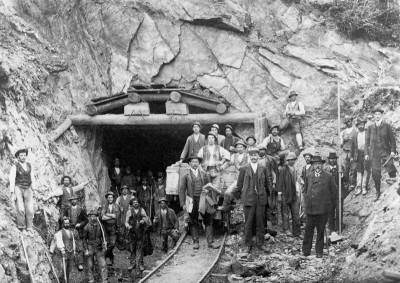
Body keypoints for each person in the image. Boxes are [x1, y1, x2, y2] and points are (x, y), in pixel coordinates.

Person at [230, 147, 272, 253]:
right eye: (252, 155)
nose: (254, 157)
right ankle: (248, 244)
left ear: (258, 156)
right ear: (249, 156)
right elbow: (239, 185)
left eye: (255, 155)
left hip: (260, 199)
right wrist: (243, 196)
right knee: (248, 222)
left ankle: (260, 243)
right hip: (248, 199)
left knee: (260, 222)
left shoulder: (263, 168)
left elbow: (268, 183)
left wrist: (266, 195)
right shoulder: (244, 168)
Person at [179, 155, 220, 249]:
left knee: (208, 219)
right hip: (191, 200)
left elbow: (209, 186)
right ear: (189, 163)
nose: (195, 164)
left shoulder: (204, 174)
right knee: (193, 220)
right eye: (193, 162)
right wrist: (182, 204)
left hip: (203, 199)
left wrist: (208, 191)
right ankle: (195, 242)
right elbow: (181, 190)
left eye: (196, 162)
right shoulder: (185, 175)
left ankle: (210, 242)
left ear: (199, 163)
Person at [302, 156, 337, 258]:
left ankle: (319, 251)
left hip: (322, 209)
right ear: (312, 165)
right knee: (308, 230)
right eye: (315, 164)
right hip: (311, 209)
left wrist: (328, 205)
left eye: (319, 164)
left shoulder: (328, 176)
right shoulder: (308, 176)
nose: (317, 166)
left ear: (322, 165)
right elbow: (305, 191)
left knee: (320, 230)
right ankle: (306, 251)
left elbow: (334, 192)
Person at [365, 107, 397, 201]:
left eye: (379, 114)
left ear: (381, 115)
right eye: (375, 114)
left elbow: (392, 140)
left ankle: (393, 179)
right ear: (374, 116)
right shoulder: (370, 127)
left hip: (385, 150)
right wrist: (366, 153)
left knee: (390, 164)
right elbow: (367, 141)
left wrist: (392, 151)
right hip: (374, 152)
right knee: (375, 172)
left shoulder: (386, 126)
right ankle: (377, 192)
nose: (377, 116)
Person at [9, 148, 36, 235]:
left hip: (28, 188)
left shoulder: (29, 165)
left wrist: (34, 189)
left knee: (30, 209)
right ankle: (22, 227)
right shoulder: (15, 166)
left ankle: (29, 227)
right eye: (21, 155)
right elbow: (12, 179)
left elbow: (32, 178)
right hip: (18, 188)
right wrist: (12, 192)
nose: (23, 157)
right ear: (18, 157)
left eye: (24, 155)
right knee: (20, 208)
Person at [218, 140, 250, 211]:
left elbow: (250, 167)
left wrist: (242, 167)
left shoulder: (248, 156)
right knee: (227, 192)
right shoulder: (234, 156)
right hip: (238, 180)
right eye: (238, 147)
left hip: (248, 180)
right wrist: (222, 167)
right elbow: (228, 163)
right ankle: (225, 207)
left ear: (244, 148)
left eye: (241, 147)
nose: (239, 148)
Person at [276, 152, 301, 238]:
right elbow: (279, 182)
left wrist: (297, 191)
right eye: (289, 160)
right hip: (285, 194)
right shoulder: (283, 170)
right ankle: (286, 230)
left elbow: (297, 181)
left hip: (293, 195)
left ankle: (296, 232)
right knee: (285, 213)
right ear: (287, 161)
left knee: (296, 213)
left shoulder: (295, 170)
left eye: (293, 160)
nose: (291, 162)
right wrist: (279, 194)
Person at [83, 210, 108, 283]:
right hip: (90, 247)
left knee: (103, 264)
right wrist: (86, 249)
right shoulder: (86, 227)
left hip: (99, 248)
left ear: (97, 217)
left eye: (94, 216)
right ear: (89, 217)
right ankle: (91, 279)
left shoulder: (100, 226)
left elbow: (104, 236)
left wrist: (105, 242)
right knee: (90, 265)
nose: (93, 218)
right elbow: (84, 239)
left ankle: (104, 280)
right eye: (91, 216)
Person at [324, 152, 346, 233]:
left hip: (339, 193)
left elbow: (346, 179)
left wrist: (342, 175)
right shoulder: (325, 169)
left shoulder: (340, 168)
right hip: (329, 194)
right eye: (331, 159)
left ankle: (339, 226)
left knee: (339, 210)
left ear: (336, 160)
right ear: (328, 160)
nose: (332, 161)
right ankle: (331, 227)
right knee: (330, 211)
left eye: (334, 159)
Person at [65, 195, 88, 271]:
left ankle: (80, 263)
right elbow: (63, 219)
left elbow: (86, 220)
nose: (73, 201)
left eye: (75, 199)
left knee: (79, 246)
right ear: (70, 201)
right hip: (70, 229)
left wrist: (80, 224)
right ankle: (69, 262)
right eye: (72, 200)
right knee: (69, 245)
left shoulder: (82, 209)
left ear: (77, 200)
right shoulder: (67, 210)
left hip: (78, 230)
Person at [125, 197, 147, 272]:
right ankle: (132, 263)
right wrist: (128, 226)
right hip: (132, 232)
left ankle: (140, 264)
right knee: (132, 248)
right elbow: (126, 222)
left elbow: (146, 217)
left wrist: (143, 220)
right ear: (132, 204)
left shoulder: (142, 210)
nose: (135, 203)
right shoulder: (129, 211)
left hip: (140, 232)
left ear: (139, 203)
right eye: (134, 202)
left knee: (140, 248)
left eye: (137, 202)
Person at [350, 119, 371, 196]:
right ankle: (358, 188)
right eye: (359, 125)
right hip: (357, 154)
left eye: (362, 124)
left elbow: (370, 144)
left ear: (364, 125)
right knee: (359, 170)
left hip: (366, 154)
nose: (361, 126)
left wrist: (368, 153)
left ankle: (364, 187)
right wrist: (352, 156)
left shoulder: (368, 133)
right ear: (357, 126)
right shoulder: (355, 135)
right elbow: (352, 146)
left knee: (366, 169)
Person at [54, 217, 76, 283]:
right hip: (64, 253)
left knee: (69, 269)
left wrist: (74, 251)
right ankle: (62, 281)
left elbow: (73, 242)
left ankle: (67, 281)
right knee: (62, 270)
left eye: (68, 223)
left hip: (71, 253)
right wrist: (63, 251)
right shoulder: (60, 233)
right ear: (63, 224)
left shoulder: (71, 232)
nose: (67, 224)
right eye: (65, 223)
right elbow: (59, 242)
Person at [101, 192, 119, 266]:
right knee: (107, 243)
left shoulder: (116, 206)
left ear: (113, 198)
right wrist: (112, 216)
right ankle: (110, 258)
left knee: (112, 243)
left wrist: (108, 215)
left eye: (111, 197)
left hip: (113, 227)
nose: (110, 199)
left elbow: (117, 216)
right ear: (107, 198)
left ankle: (105, 255)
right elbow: (102, 217)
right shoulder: (105, 206)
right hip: (105, 227)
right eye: (108, 197)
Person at [340, 115, 357, 191]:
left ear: (351, 121)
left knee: (353, 168)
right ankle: (346, 184)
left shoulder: (356, 130)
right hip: (345, 152)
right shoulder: (343, 132)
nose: (348, 123)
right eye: (347, 122)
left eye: (349, 121)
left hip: (352, 151)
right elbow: (340, 144)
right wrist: (344, 139)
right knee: (345, 168)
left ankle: (352, 184)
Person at [115, 185, 134, 250]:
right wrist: (120, 207)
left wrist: (130, 207)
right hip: (122, 214)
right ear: (121, 191)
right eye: (123, 189)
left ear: (128, 190)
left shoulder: (131, 196)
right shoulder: (119, 198)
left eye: (126, 189)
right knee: (122, 228)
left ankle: (130, 245)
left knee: (129, 228)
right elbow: (116, 204)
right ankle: (123, 244)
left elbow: (135, 203)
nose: (125, 190)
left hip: (129, 214)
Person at [298, 153, 314, 224]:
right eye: (306, 157)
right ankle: (307, 221)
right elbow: (301, 176)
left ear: (311, 159)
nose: (307, 159)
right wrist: (301, 180)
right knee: (305, 204)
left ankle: (313, 221)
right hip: (305, 189)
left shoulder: (313, 167)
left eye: (308, 157)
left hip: (312, 188)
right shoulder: (304, 168)